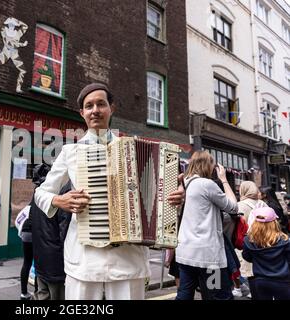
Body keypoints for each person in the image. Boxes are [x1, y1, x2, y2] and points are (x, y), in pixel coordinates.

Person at [34, 83, 185, 300]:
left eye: (100, 104)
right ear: (82, 113)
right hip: (84, 259)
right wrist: (59, 200)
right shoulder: (70, 152)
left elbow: (161, 199)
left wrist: (175, 198)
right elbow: (41, 193)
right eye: (89, 106)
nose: (95, 110)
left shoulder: (134, 149)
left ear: (111, 108)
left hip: (128, 259)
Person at [175, 151, 238, 300]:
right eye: (212, 164)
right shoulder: (206, 184)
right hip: (209, 259)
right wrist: (224, 179)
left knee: (184, 294)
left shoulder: (186, 184)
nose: (212, 168)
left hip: (185, 253)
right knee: (217, 295)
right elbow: (234, 207)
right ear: (206, 165)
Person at [31, 164, 71, 300]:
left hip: (40, 257)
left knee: (42, 295)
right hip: (56, 261)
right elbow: (64, 231)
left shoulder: (37, 194)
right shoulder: (62, 195)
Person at [242, 206, 290, 300]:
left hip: (260, 280)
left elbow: (247, 257)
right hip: (282, 280)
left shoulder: (248, 240)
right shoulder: (285, 241)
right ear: (274, 223)